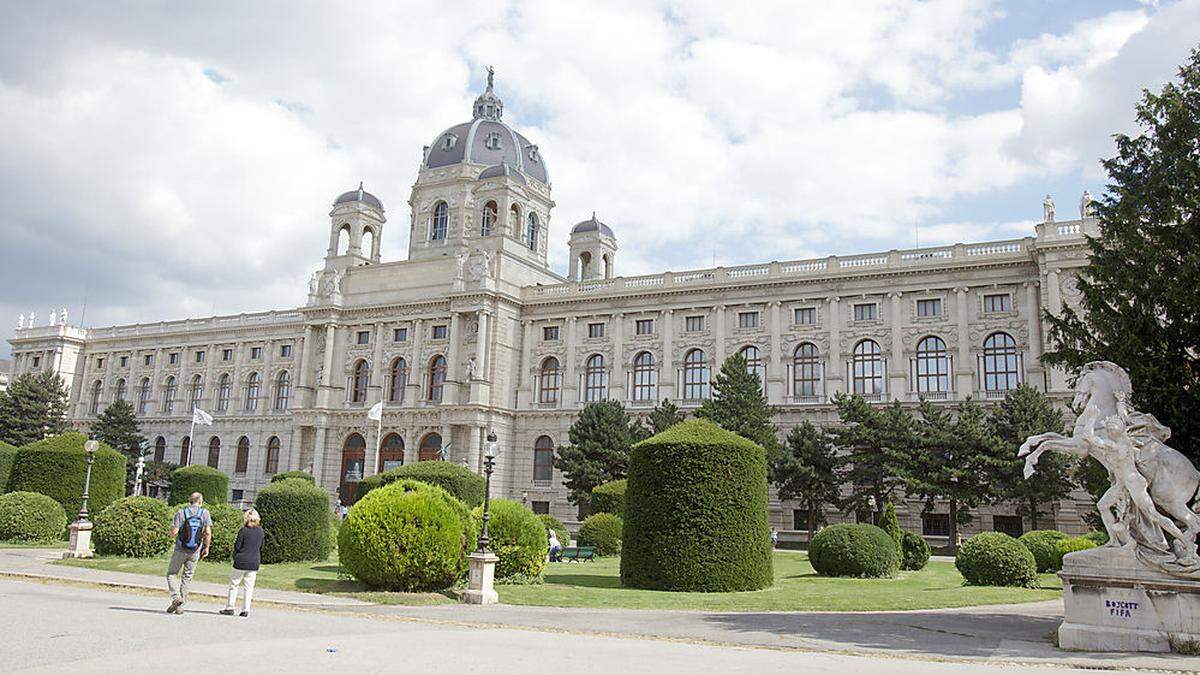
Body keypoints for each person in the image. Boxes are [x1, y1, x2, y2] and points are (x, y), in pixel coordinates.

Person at [166, 492, 212, 615]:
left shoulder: (181, 512)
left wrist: (169, 534)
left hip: (181, 549)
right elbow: (208, 533)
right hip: (195, 550)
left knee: (171, 574)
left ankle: (176, 598)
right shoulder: (205, 513)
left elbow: (175, 531)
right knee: (187, 577)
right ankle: (180, 605)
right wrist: (206, 548)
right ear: (200, 502)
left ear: (189, 501)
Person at [220, 508, 264, 617]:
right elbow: (261, 546)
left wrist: (235, 556)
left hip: (240, 561)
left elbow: (237, 546)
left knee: (234, 584)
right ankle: (246, 609)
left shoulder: (243, 530)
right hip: (254, 562)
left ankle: (230, 607)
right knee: (249, 587)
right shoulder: (260, 531)